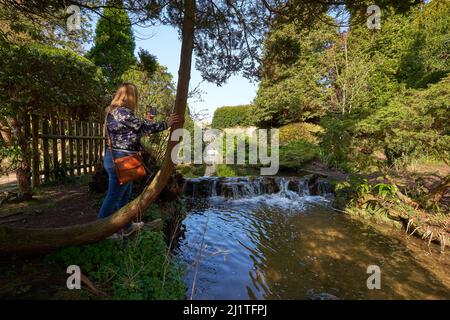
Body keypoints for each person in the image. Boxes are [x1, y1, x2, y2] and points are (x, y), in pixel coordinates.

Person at [98, 83, 180, 238]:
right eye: (135, 95)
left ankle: (127, 226)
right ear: (130, 96)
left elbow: (134, 130)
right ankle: (102, 230)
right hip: (121, 159)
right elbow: (143, 128)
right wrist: (166, 124)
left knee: (124, 195)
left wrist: (147, 121)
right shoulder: (122, 112)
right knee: (114, 196)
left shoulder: (115, 112)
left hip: (117, 157)